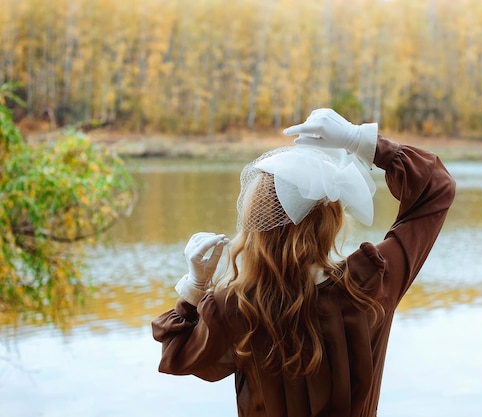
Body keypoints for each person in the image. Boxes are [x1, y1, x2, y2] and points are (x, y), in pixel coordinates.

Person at [152, 108, 456, 417]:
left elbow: (177, 356)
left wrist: (195, 285)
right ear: (332, 220)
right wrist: (359, 140)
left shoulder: (237, 307)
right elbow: (436, 186)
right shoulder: (369, 283)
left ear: (254, 224)